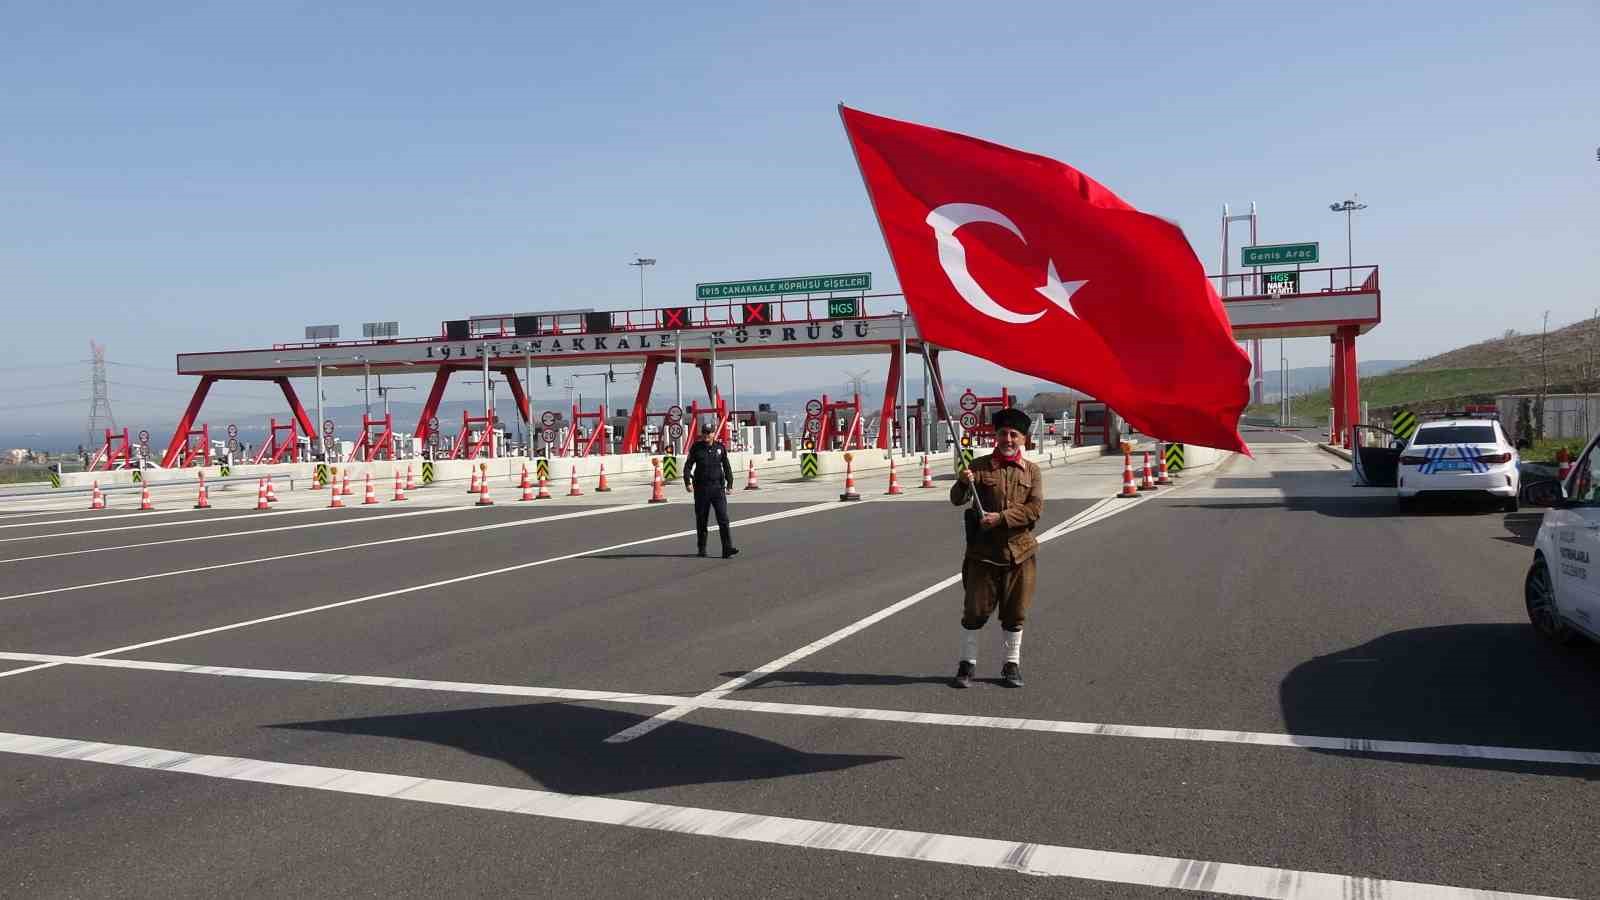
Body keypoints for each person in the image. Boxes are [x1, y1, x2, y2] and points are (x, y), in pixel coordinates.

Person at [948, 407, 1043, 688]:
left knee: (1015, 614)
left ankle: (1010, 665)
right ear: (995, 436)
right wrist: (963, 482)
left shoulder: (1033, 472)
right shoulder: (977, 467)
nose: (1008, 439)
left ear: (1023, 439)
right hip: (983, 554)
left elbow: (1035, 509)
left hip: (1020, 553)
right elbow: (956, 499)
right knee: (974, 612)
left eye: (1014, 435)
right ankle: (967, 665)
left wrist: (1001, 518)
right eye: (1003, 433)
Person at [683, 423, 739, 559]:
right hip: (701, 489)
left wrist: (730, 483)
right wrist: (687, 482)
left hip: (717, 489)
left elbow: (726, 467)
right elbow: (688, 466)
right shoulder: (697, 448)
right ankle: (702, 548)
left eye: (709, 433)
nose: (706, 435)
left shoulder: (720, 448)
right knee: (702, 519)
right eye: (704, 432)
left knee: (723, 519)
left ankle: (727, 549)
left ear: (714, 434)